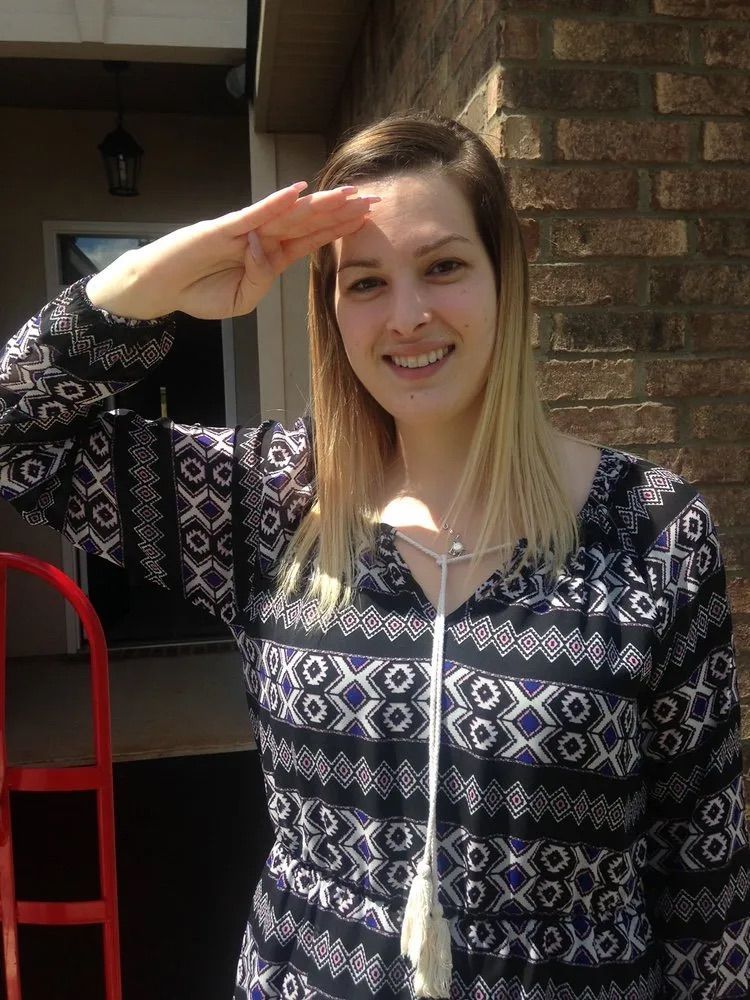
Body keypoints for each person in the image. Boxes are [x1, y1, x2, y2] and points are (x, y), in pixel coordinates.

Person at [1, 111, 748, 999]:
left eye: (443, 266)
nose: (407, 317)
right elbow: (18, 436)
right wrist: (143, 282)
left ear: (507, 276)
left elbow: (704, 877)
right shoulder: (271, 502)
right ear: (330, 308)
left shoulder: (653, 532)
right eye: (364, 283)